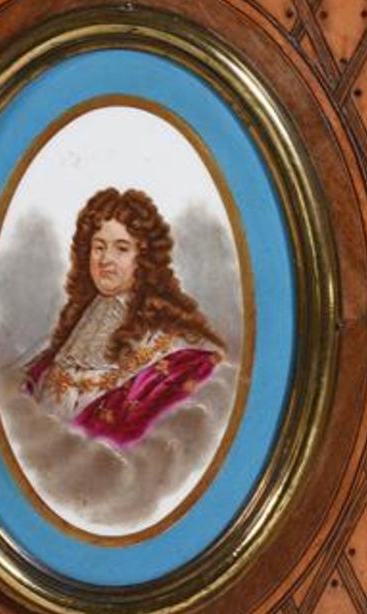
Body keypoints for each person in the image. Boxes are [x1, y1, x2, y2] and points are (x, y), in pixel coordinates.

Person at [23, 187, 224, 447]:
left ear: (144, 258)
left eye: (121, 248)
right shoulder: (75, 328)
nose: (106, 259)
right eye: (98, 247)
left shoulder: (173, 346)